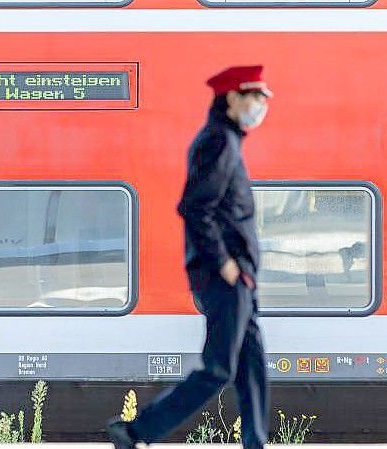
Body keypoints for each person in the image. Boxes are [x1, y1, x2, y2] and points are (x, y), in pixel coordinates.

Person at [107, 65, 272, 449]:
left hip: (239, 277)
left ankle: (256, 442)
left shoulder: (227, 139)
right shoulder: (218, 142)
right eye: (256, 98)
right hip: (226, 276)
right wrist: (225, 264)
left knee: (252, 367)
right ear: (233, 98)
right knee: (218, 369)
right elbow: (195, 208)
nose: (261, 106)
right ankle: (135, 431)